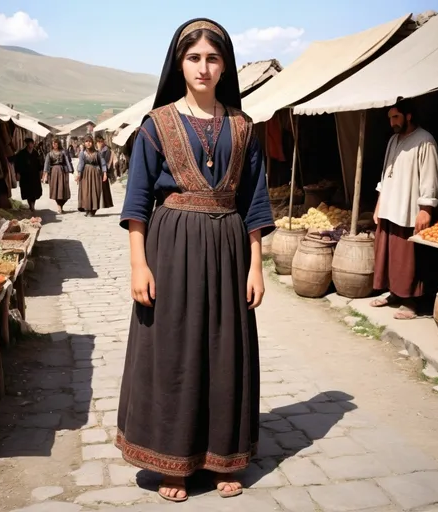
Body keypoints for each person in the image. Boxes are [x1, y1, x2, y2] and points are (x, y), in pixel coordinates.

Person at [115, 18, 274, 502]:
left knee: (226, 352)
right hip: (172, 249)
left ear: (225, 65)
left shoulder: (243, 128)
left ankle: (223, 456)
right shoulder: (156, 125)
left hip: (228, 250)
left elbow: (255, 202)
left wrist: (256, 264)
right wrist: (138, 265)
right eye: (193, 58)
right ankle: (173, 460)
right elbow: (139, 201)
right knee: (174, 353)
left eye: (212, 58)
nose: (203, 68)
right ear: (179, 64)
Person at [371, 100, 438, 319]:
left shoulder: (425, 141)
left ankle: (411, 302)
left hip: (408, 208)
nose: (393, 123)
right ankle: (394, 293)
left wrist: (426, 209)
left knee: (408, 259)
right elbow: (386, 173)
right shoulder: (393, 140)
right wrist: (379, 204)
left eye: (396, 117)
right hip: (389, 206)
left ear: (408, 116)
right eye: (390, 118)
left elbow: (430, 177)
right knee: (389, 256)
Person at [76, 135, 114, 216]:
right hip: (85, 175)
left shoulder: (98, 153)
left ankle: (93, 210)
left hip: (96, 174)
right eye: (86, 141)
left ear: (92, 143)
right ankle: (87, 209)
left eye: (90, 141)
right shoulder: (82, 154)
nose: (88, 143)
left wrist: (104, 174)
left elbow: (103, 163)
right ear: (84, 143)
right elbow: (81, 164)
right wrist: (79, 174)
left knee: (95, 191)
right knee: (86, 192)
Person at [15, 137, 43, 212]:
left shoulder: (35, 153)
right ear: (27, 144)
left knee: (35, 191)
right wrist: (18, 173)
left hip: (34, 175)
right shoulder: (21, 153)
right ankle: (31, 205)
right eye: (29, 143)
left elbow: (39, 164)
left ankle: (33, 205)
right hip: (25, 176)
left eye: (32, 143)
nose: (31, 145)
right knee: (27, 191)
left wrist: (41, 173)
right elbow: (17, 164)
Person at [44, 139, 72, 214]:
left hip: (62, 172)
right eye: (53, 143)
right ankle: (59, 206)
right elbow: (46, 165)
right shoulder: (49, 154)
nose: (55, 145)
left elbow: (67, 161)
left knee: (63, 190)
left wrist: (70, 170)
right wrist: (45, 176)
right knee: (56, 190)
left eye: (56, 143)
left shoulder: (63, 152)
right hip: (53, 173)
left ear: (58, 144)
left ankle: (61, 206)